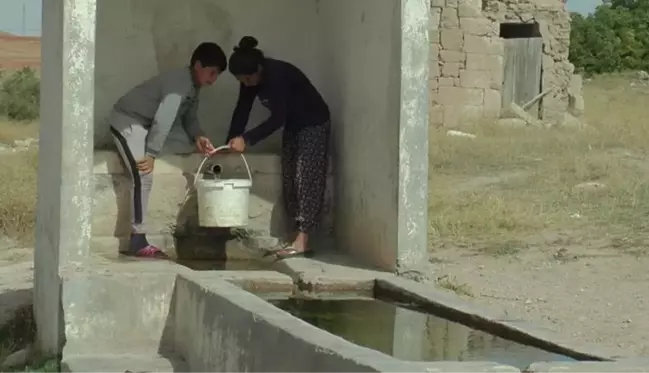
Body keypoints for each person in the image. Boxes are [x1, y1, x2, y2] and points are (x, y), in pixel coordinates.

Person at [108, 42, 226, 258]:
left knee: (187, 146)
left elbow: (189, 117)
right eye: (212, 72)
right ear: (198, 66)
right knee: (142, 173)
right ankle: (138, 239)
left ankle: (139, 239)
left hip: (147, 125)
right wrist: (151, 154)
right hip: (128, 120)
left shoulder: (193, 86)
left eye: (216, 75)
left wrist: (198, 136)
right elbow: (164, 120)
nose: (213, 79)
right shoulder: (180, 83)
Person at [225, 36, 330, 260]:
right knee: (290, 176)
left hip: (313, 122)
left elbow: (277, 119)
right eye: (240, 80)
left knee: (305, 177)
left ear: (258, 69)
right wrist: (231, 139)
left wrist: (248, 139)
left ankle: (303, 241)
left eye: (247, 79)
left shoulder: (277, 76)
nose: (245, 84)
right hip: (294, 125)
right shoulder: (250, 79)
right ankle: (295, 237)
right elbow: (242, 110)